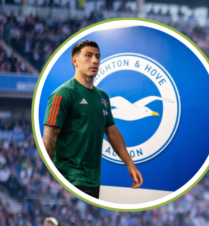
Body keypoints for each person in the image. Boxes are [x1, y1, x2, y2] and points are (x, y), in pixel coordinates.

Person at [42, 40, 143, 199]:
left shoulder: (102, 97)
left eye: (97, 56)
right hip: (69, 179)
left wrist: (130, 164)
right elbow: (49, 136)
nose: (95, 60)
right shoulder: (63, 93)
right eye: (88, 56)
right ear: (74, 61)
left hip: (93, 181)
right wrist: (49, 178)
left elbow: (112, 133)